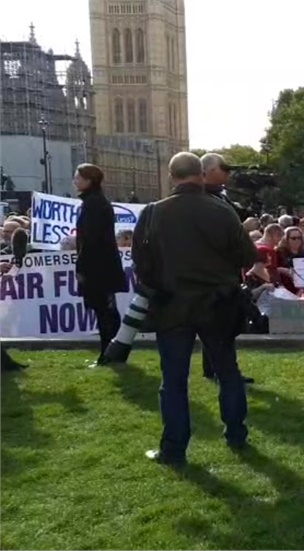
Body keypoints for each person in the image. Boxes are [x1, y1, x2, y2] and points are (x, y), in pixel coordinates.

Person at [133, 152, 257, 466]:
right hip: (217, 303)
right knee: (228, 372)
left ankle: (174, 449)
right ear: (201, 176)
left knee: (173, 380)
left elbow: (141, 264)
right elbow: (246, 256)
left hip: (173, 305)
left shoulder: (153, 213)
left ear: (171, 176)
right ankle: (236, 435)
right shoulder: (222, 211)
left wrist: (161, 284)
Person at [200, 153, 256, 384]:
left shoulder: (219, 197)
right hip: (216, 273)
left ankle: (214, 368)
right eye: (223, 168)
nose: (227, 173)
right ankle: (224, 371)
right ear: (209, 171)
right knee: (219, 326)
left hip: (222, 271)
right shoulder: (206, 199)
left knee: (220, 326)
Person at [74, 164, 127, 363]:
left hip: (98, 268)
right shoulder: (94, 202)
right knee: (105, 311)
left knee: (105, 312)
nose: (75, 181)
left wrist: (82, 267)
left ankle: (110, 353)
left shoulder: (93, 204)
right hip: (101, 266)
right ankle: (112, 353)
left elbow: (91, 240)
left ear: (88, 180)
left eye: (78, 177)